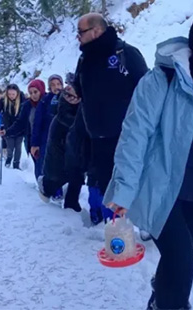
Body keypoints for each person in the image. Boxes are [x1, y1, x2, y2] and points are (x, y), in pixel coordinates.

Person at [102, 7, 193, 310]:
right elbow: (135, 135)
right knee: (183, 261)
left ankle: (160, 299)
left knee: (178, 259)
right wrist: (124, 188)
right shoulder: (163, 79)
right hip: (160, 189)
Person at [72, 12, 149, 224]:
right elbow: (79, 87)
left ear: (96, 31)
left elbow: (149, 90)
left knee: (134, 181)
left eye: (81, 32)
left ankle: (144, 224)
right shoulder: (84, 57)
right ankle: (116, 230)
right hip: (96, 135)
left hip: (127, 135)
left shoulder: (126, 53)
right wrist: (73, 93)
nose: (77, 37)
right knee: (106, 184)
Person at [39, 84, 84, 211]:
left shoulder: (85, 106)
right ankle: (46, 186)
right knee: (56, 174)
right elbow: (66, 119)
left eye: (76, 96)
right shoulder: (61, 106)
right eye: (69, 96)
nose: (72, 99)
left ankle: (72, 205)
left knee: (78, 174)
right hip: (60, 143)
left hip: (78, 146)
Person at [0, 84, 26, 169]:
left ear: (17, 93)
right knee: (10, 145)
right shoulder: (3, 100)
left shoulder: (23, 100)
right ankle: (9, 159)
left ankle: (16, 164)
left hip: (19, 127)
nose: (11, 96)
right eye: (9, 94)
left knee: (18, 146)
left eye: (13, 94)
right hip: (7, 127)